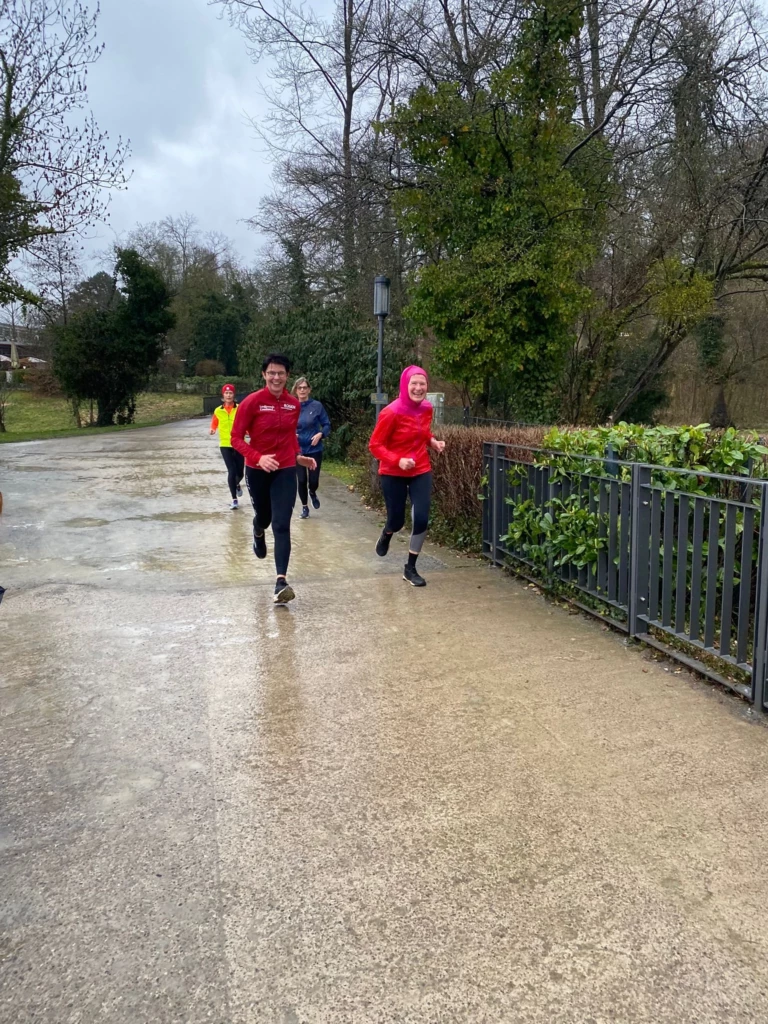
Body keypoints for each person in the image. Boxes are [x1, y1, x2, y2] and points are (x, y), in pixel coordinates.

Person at [231, 353, 317, 604]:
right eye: (271, 373)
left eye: (280, 373)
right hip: (257, 470)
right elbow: (236, 438)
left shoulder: (293, 404)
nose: (276, 377)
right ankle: (258, 530)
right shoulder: (252, 402)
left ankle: (281, 582)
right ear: (264, 375)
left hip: (285, 468)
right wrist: (258, 458)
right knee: (265, 518)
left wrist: (298, 456)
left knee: (281, 523)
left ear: (287, 376)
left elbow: (290, 435)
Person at [369, 365, 446, 587]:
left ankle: (410, 568)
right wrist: (398, 460)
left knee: (421, 518)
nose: (418, 388)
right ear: (405, 385)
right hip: (393, 471)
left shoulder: (427, 408)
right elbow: (375, 445)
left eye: (422, 383)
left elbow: (423, 433)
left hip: (420, 468)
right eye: (414, 383)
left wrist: (433, 442)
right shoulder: (391, 412)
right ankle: (387, 532)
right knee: (397, 520)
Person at [292, 377, 331, 519]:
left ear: (309, 390)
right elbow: (283, 425)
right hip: (298, 450)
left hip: (314, 449)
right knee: (301, 480)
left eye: (305, 387)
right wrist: (291, 434)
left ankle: (312, 492)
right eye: (299, 388)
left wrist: (320, 434)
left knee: (313, 481)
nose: (302, 390)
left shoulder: (316, 406)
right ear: (296, 390)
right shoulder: (291, 406)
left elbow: (326, 424)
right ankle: (305, 507)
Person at [209, 383, 244, 509]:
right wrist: (213, 429)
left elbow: (246, 422)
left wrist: (249, 431)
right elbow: (214, 422)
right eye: (226, 393)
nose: (228, 395)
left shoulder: (240, 408)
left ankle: (237, 484)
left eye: (230, 393)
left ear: (234, 395)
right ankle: (234, 499)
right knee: (231, 471)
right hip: (225, 445)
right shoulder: (218, 410)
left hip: (239, 443)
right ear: (223, 395)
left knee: (240, 473)